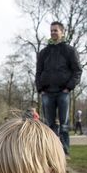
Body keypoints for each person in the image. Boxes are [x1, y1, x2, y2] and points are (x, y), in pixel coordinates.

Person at [35, 21, 82, 155]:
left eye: (56, 30)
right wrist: (40, 89)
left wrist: (69, 87)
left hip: (63, 92)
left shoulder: (69, 51)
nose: (53, 33)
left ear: (62, 32)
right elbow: (38, 72)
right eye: (51, 30)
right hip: (47, 92)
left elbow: (77, 70)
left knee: (64, 124)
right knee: (49, 125)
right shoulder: (44, 52)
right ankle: (51, 152)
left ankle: (65, 151)